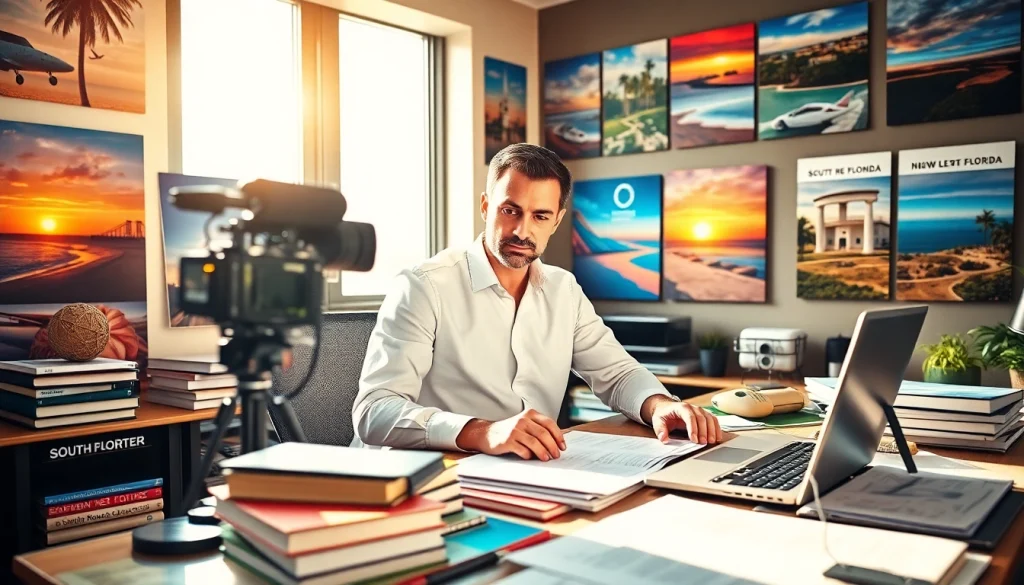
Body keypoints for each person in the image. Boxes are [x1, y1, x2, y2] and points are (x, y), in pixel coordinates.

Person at [351, 143, 722, 459]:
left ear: (557, 220)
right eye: (509, 210)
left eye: (539, 215)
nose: (521, 230)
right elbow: (374, 411)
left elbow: (617, 373)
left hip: (524, 474)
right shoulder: (424, 285)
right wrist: (482, 432)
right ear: (485, 206)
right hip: (425, 480)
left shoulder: (563, 290)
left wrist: (660, 405)